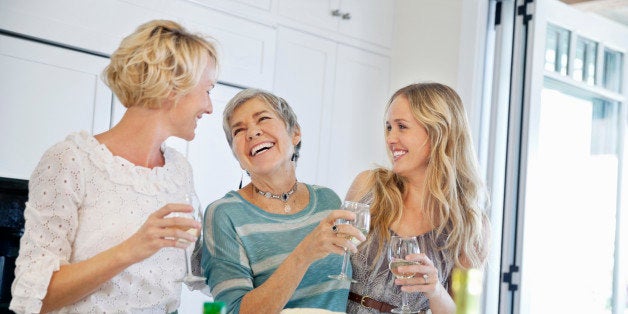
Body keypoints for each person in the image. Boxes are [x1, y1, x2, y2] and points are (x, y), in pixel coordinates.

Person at [9, 19, 218, 313]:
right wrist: (130, 250)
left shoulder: (179, 170)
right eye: (207, 90)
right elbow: (36, 297)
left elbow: (194, 270)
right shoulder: (71, 160)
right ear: (173, 85)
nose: (210, 107)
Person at [199, 88, 366, 313]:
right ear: (237, 157)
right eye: (239, 130)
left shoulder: (328, 201)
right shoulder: (224, 214)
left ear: (295, 133)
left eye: (263, 118)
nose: (252, 132)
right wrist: (304, 254)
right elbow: (233, 310)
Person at [345, 83, 490, 313]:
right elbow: (333, 266)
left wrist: (435, 290)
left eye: (402, 127)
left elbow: (463, 311)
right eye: (389, 127)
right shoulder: (368, 186)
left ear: (438, 133)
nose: (391, 138)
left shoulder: (471, 225)